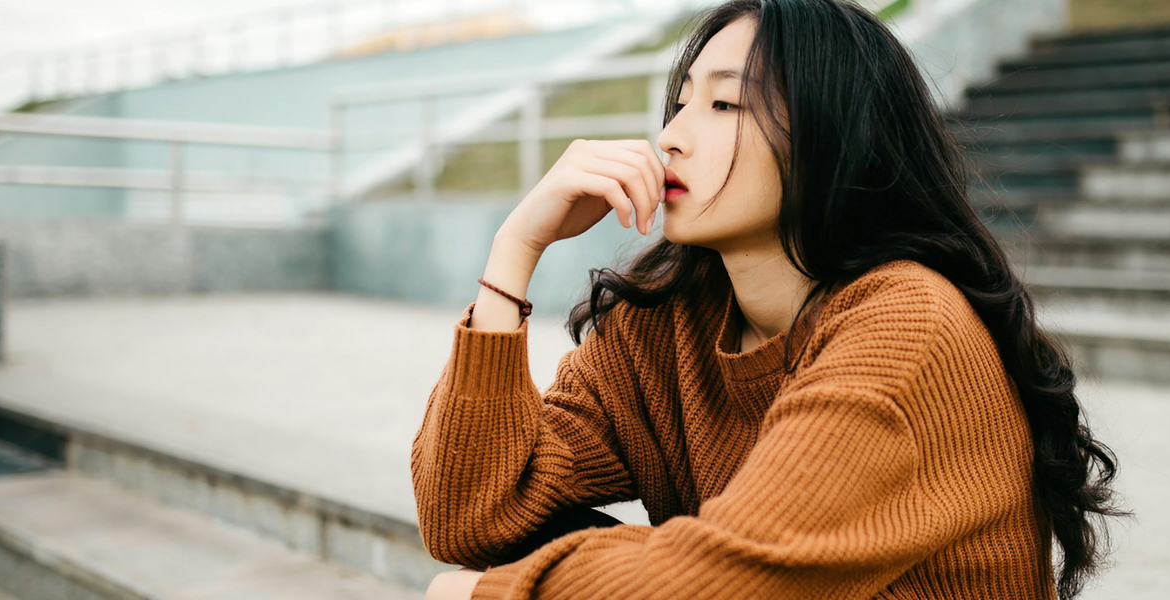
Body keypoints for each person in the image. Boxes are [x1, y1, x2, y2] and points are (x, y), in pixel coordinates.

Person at [411, 0, 1126, 598]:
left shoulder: (908, 324)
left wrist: (489, 596)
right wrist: (514, 253)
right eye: (682, 101)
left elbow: (732, 577)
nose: (670, 138)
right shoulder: (665, 321)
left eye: (724, 103)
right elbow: (469, 518)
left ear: (829, 139)